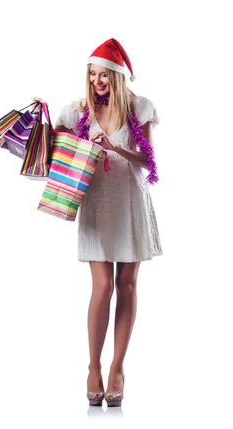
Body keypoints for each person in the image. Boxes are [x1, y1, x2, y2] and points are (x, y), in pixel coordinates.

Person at [36, 38, 162, 407]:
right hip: (96, 204)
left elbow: (148, 161)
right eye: (92, 74)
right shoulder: (78, 112)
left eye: (103, 75)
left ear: (117, 77)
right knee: (103, 287)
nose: (96, 81)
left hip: (131, 201)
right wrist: (40, 119)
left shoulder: (139, 108)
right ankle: (93, 367)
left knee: (127, 284)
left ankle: (117, 368)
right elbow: (52, 147)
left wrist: (115, 148)